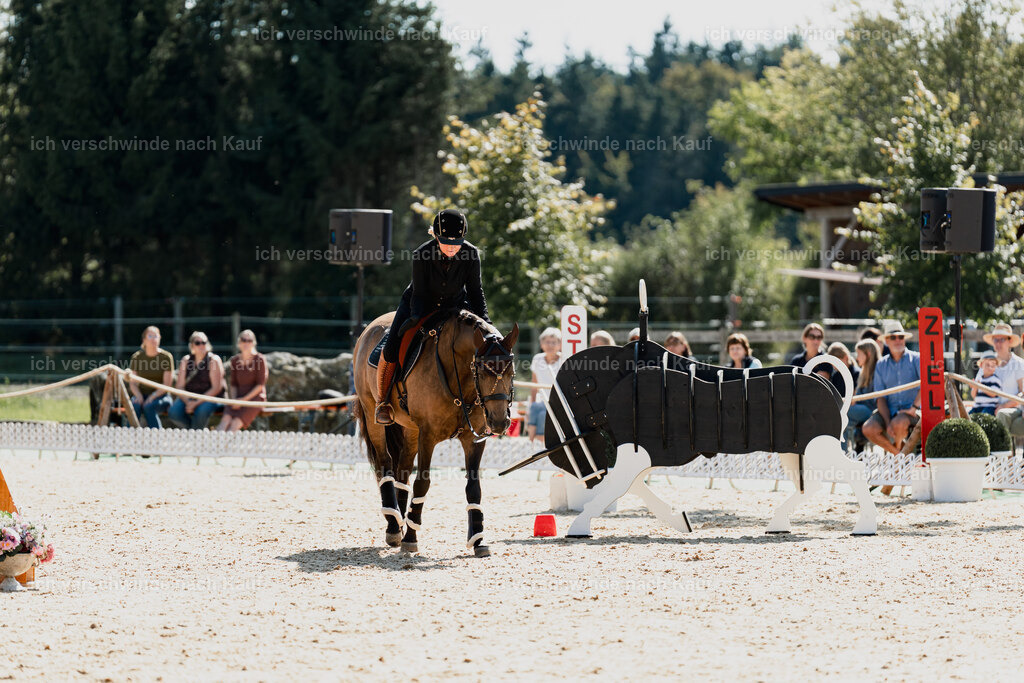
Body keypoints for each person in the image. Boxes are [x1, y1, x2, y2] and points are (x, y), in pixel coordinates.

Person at [375, 209, 490, 425]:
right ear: (436, 236)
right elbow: (419, 292)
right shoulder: (422, 253)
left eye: (457, 242)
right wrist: (415, 317)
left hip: (455, 305)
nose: (452, 247)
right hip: (419, 303)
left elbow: (475, 291)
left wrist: (485, 321)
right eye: (446, 241)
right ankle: (382, 402)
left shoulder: (471, 254)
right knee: (392, 346)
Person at [861, 321, 921, 455]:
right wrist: (888, 422)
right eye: (893, 337)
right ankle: (900, 455)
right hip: (889, 411)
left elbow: (925, 386)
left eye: (901, 337)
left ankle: (898, 459)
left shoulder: (916, 358)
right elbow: (880, 398)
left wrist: (914, 408)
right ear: (887, 341)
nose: (898, 340)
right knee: (868, 428)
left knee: (899, 423)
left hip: (913, 412)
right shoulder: (881, 364)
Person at [168, 331, 225, 429]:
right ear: (192, 345)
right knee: (174, 412)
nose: (201, 345)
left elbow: (216, 388)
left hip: (211, 398)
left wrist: (195, 403)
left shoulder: (214, 360)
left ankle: (195, 436)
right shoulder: (186, 360)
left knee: (201, 411)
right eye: (198, 343)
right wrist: (188, 402)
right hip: (189, 397)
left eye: (204, 342)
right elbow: (180, 386)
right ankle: (193, 432)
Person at [218, 330, 269, 432]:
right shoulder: (235, 360)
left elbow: (260, 385)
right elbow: (233, 384)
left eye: (249, 340)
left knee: (234, 425)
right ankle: (213, 446)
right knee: (224, 422)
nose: (246, 343)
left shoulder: (259, 359)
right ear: (239, 343)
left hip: (254, 398)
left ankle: (226, 447)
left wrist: (243, 400)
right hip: (237, 397)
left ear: (253, 343)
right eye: (243, 340)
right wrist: (234, 400)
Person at [128, 326, 175, 428]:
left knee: (149, 406)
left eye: (156, 336)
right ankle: (129, 436)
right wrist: (138, 395)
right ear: (144, 340)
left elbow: (167, 384)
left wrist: (153, 396)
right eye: (150, 336)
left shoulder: (166, 357)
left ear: (160, 338)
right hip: (141, 394)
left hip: (161, 396)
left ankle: (157, 437)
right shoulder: (137, 357)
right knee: (134, 406)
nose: (153, 339)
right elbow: (133, 383)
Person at [986, 323, 1024, 435]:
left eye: (1001, 339)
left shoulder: (1018, 364)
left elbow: (1022, 393)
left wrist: (1004, 406)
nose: (998, 343)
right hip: (991, 407)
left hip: (1013, 409)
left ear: (1009, 341)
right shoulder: (987, 363)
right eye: (995, 340)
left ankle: (1001, 451)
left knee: (1001, 414)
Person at [844, 339, 881, 450]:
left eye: (859, 354)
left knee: (841, 412)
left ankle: (845, 450)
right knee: (841, 420)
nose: (857, 358)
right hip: (863, 409)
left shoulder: (878, 370)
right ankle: (851, 448)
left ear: (868, 354)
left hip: (873, 410)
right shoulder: (863, 373)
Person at [527, 327, 562, 442]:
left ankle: (542, 443)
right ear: (541, 344)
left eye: (554, 342)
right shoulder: (537, 359)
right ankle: (531, 442)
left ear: (559, 344)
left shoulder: (563, 360)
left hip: (557, 401)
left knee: (543, 415)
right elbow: (534, 384)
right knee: (534, 408)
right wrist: (531, 403)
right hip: (542, 400)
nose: (550, 345)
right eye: (547, 342)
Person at [970, 351, 1002, 416]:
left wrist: (980, 386)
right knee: (968, 416)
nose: (990, 367)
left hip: (989, 407)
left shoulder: (995, 380)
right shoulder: (979, 379)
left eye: (993, 365)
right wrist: (975, 387)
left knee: (984, 417)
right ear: (981, 365)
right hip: (977, 406)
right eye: (987, 365)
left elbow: (993, 393)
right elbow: (973, 395)